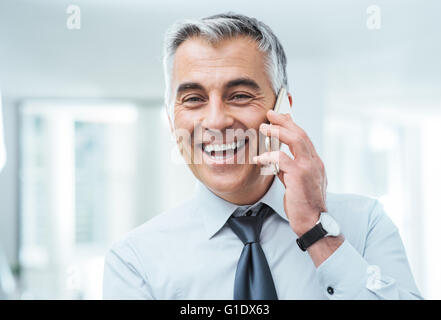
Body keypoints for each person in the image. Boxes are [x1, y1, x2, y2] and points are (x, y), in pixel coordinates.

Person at [102, 13, 422, 300]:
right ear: (173, 121)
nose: (216, 121)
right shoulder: (135, 261)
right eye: (194, 98)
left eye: (240, 96)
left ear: (283, 109)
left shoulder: (365, 223)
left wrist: (317, 231)